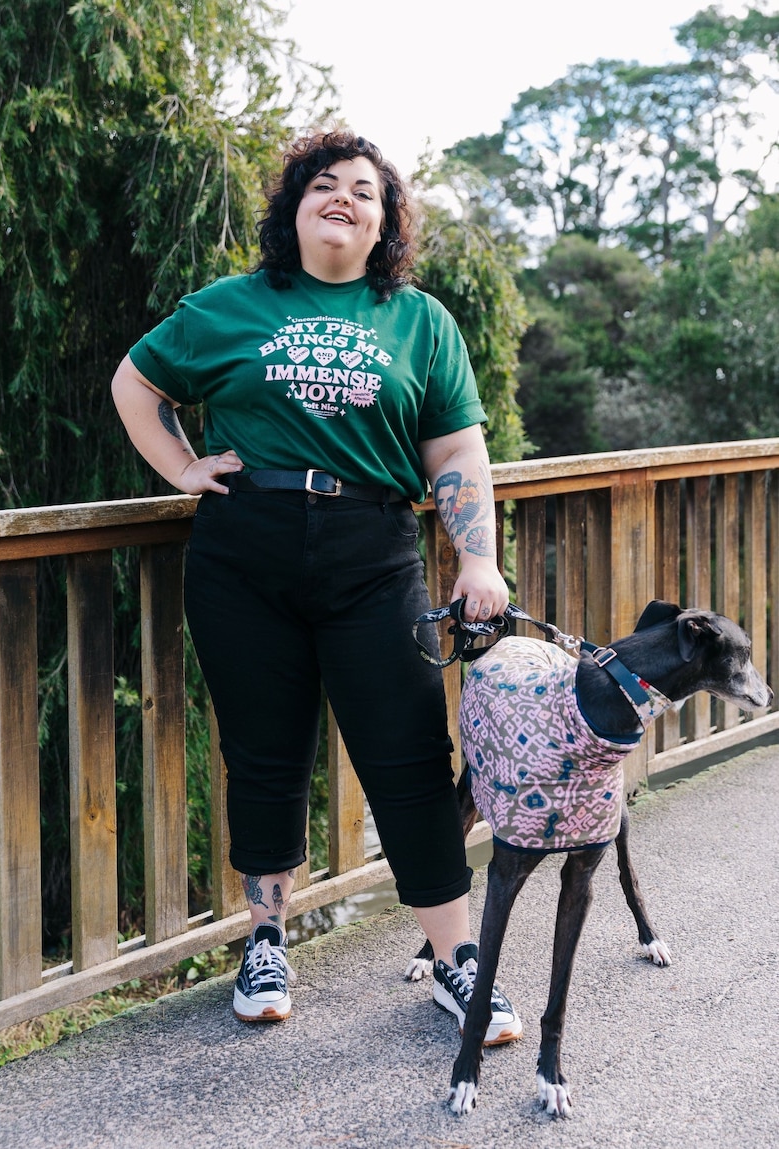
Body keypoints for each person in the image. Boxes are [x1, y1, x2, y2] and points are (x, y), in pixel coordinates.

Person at [111, 129, 521, 1045]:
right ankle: (266, 938)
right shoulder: (228, 306)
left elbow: (455, 449)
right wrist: (181, 468)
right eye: (324, 186)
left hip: (372, 550)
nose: (343, 199)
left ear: (385, 223)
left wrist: (478, 558)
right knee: (265, 753)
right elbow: (136, 384)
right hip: (242, 551)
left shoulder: (420, 322)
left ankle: (457, 961)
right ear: (293, 208)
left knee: (409, 755)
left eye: (365, 192)